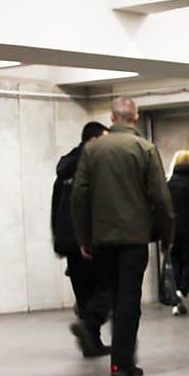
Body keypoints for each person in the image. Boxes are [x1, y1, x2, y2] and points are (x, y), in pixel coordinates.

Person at [71, 97, 175, 376]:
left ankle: (108, 344)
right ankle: (122, 362)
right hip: (134, 238)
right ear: (136, 117)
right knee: (128, 299)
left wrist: (83, 237)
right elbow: (161, 199)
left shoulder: (92, 150)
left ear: (112, 117)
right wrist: (167, 236)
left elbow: (79, 196)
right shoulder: (144, 148)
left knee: (112, 294)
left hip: (102, 239)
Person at [52, 121, 111, 357]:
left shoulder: (65, 168)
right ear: (94, 140)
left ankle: (92, 344)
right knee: (108, 289)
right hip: (90, 239)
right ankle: (89, 326)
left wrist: (60, 240)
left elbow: (56, 207)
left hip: (69, 242)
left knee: (84, 294)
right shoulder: (92, 166)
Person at [166, 150, 189, 316]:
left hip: (171, 228)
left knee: (176, 263)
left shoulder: (167, 184)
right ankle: (181, 291)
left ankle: (176, 301)